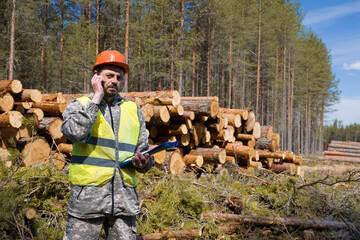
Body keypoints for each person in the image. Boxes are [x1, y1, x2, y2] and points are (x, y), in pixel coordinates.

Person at [61, 50, 152, 239]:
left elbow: (143, 151)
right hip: (87, 202)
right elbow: (74, 133)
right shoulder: (80, 104)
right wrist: (95, 99)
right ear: (96, 77)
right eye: (109, 75)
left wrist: (144, 163)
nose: (115, 80)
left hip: (124, 203)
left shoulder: (133, 110)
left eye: (119, 77)